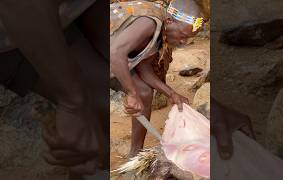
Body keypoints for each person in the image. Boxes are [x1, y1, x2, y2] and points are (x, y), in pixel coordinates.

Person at [110, 0, 255, 160]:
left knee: (144, 92)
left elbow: (143, 69)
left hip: (108, 57)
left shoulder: (160, 31)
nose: (183, 42)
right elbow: (115, 53)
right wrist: (131, 93)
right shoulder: (149, 22)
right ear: (170, 21)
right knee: (136, 92)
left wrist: (171, 94)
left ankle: (135, 153)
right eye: (183, 36)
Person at [0, 0, 108, 179]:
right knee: (103, 106)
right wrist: (73, 102)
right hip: (15, 20)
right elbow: (19, 6)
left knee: (118, 90)